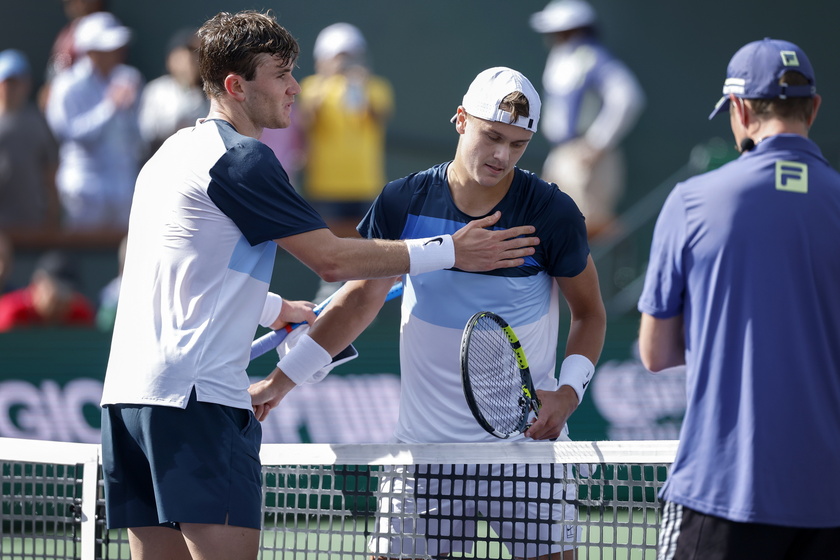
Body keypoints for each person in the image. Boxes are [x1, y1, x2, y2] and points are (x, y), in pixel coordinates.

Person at [98, 11, 538, 560]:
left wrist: (275, 307)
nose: (294, 88)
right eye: (280, 75)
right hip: (196, 400)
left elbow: (177, 273)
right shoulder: (240, 159)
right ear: (236, 86)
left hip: (127, 401)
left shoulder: (167, 156)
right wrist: (452, 249)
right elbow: (331, 260)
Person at [267, 67, 606, 560]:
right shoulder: (402, 200)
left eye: (517, 144)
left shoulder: (552, 212)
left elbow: (591, 313)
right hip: (422, 455)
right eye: (492, 136)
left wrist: (570, 392)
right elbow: (360, 299)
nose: (501, 156)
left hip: (525, 456)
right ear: (460, 120)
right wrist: (279, 383)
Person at [638, 38, 840, 559]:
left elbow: (656, 354)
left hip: (721, 493)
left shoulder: (691, 201)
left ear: (741, 110)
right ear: (813, 108)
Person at [529, 0, 645, 240]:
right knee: (552, 223)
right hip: (564, 154)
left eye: (560, 32)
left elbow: (628, 98)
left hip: (585, 157)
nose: (554, 37)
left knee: (586, 228)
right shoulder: (562, 57)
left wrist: (598, 143)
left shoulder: (592, 58)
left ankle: (618, 270)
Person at [45, 11, 144, 231]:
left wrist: (126, 112)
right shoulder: (67, 86)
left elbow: (136, 133)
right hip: (84, 190)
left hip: (123, 185)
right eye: (107, 48)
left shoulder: (129, 78)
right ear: (89, 51)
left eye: (117, 47)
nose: (116, 53)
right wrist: (110, 107)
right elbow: (69, 135)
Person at [297, 22, 394, 240]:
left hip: (366, 185)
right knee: (329, 249)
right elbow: (307, 122)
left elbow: (378, 118)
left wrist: (358, 85)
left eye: (349, 55)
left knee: (368, 247)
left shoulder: (375, 87)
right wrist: (325, 83)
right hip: (324, 187)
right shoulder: (311, 86)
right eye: (338, 56)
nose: (343, 62)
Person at [0, 49, 61, 233]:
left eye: (17, 82)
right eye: (7, 82)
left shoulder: (38, 123)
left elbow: (50, 172)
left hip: (32, 222)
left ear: (27, 84)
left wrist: (53, 214)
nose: (12, 88)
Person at [138, 28, 209, 160]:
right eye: (186, 56)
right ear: (171, 59)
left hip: (196, 161)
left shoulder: (209, 92)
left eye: (196, 56)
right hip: (161, 159)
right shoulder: (158, 90)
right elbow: (147, 132)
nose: (191, 62)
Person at [0, 250, 95, 331]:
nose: (62, 298)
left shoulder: (80, 313)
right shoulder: (12, 312)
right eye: (58, 288)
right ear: (38, 283)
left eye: (68, 291)